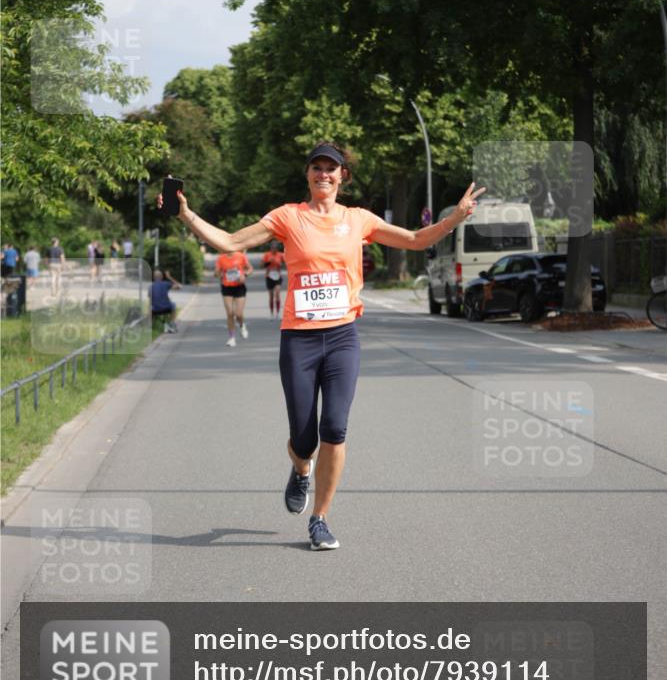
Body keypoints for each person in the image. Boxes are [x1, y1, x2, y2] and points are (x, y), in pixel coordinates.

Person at [159, 141, 484, 551]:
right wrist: (186, 213)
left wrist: (454, 218)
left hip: (343, 336)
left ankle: (320, 519)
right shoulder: (288, 217)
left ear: (342, 176)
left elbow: (417, 239)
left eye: (332, 169)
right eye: (317, 168)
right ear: (308, 175)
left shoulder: (358, 219)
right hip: (299, 340)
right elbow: (229, 243)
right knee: (304, 437)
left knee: (335, 428)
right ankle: (300, 471)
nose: (324, 175)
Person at [214, 248, 253, 347]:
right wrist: (217, 273)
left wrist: (245, 274)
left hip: (239, 287)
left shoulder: (240, 256)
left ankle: (242, 326)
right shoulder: (221, 258)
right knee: (230, 313)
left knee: (238, 314)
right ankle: (232, 338)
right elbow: (216, 274)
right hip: (227, 287)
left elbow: (250, 268)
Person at [262, 240, 285, 318]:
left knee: (277, 294)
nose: (274, 249)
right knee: (271, 296)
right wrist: (268, 262)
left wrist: (281, 264)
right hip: (269, 276)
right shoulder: (267, 255)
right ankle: (271, 313)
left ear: (277, 248)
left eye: (275, 248)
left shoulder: (281, 255)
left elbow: (286, 264)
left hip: (278, 276)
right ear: (270, 248)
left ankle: (277, 313)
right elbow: (262, 265)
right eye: (272, 248)